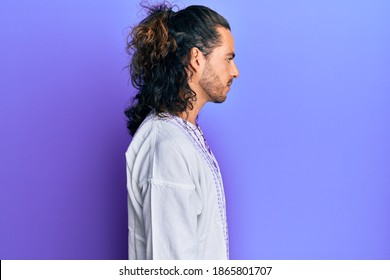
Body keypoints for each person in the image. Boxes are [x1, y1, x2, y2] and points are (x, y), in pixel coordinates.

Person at [124, 3, 239, 260]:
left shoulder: (181, 135)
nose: (235, 71)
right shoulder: (167, 147)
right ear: (197, 59)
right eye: (228, 58)